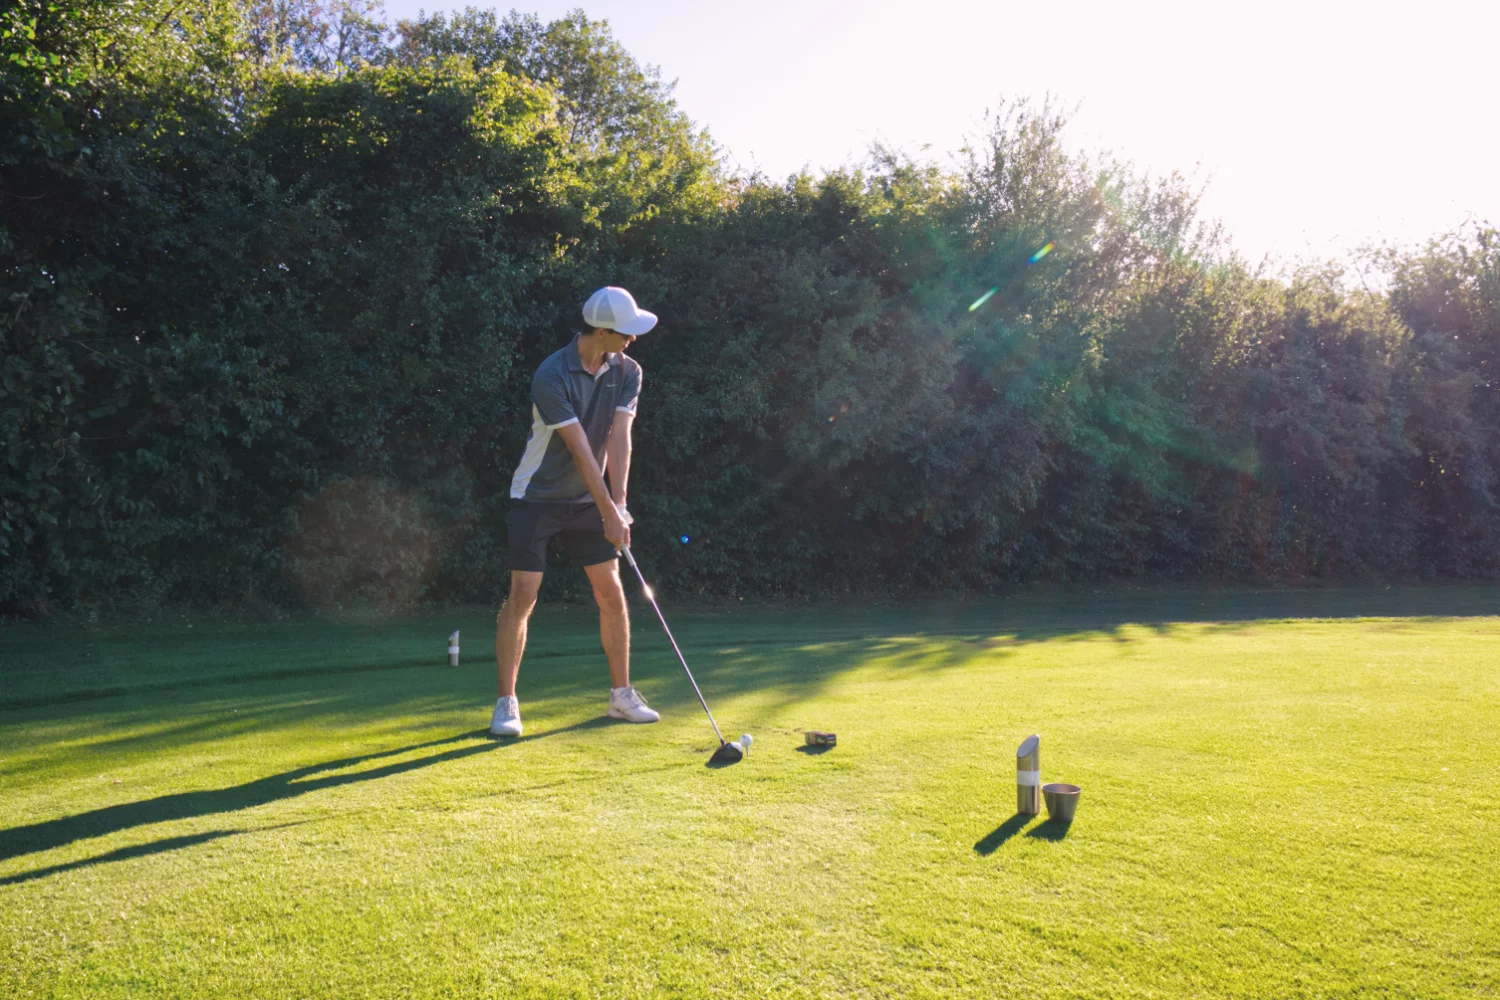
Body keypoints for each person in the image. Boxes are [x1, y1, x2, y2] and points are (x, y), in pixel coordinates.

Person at [490, 286, 661, 737]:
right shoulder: (551, 375)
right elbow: (582, 451)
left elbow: (619, 437)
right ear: (602, 331)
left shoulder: (627, 370)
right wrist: (608, 512)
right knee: (523, 594)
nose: (633, 339)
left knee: (611, 591)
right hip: (537, 496)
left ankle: (621, 696)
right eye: (626, 332)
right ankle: (507, 702)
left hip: (589, 500)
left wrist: (619, 505)